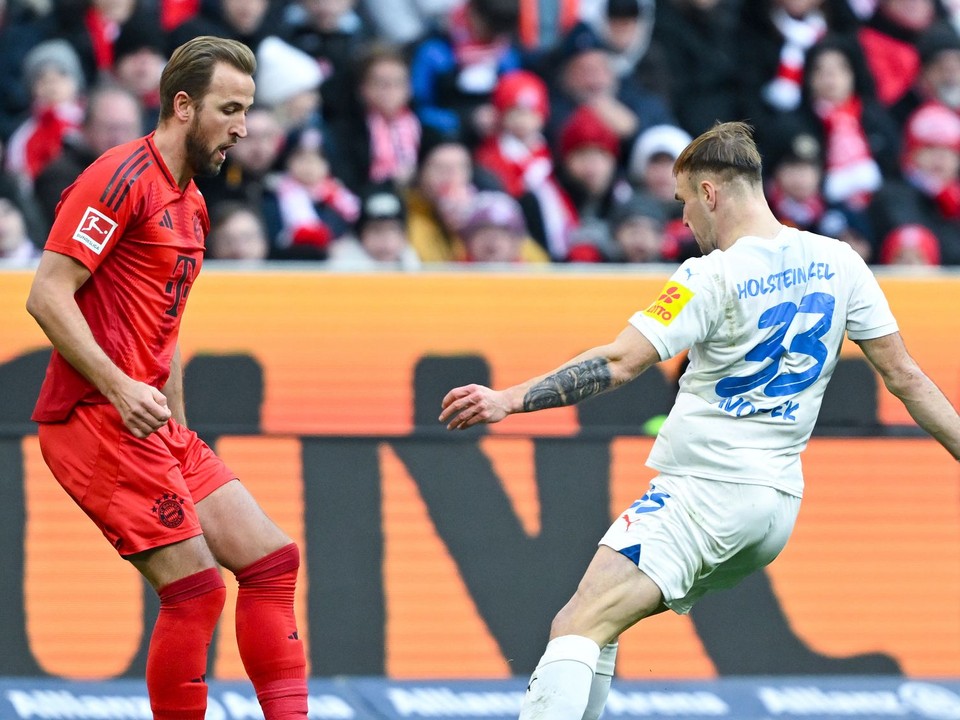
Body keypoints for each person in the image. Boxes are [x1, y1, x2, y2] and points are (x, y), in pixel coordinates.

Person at [438, 121, 960, 720]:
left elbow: (618, 361)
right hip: (775, 504)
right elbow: (906, 378)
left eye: (684, 202)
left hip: (706, 489)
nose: (684, 220)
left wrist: (509, 399)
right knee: (595, 624)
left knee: (574, 624)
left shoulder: (708, 275)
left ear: (710, 194)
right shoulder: (840, 262)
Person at [25, 36, 307, 720]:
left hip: (150, 424)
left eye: (247, 110)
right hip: (94, 419)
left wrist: (178, 425)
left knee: (271, 560)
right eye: (230, 109)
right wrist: (122, 387)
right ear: (183, 105)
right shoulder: (119, 177)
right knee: (197, 590)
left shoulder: (193, 205)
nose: (242, 127)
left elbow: (165, 325)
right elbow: (47, 294)